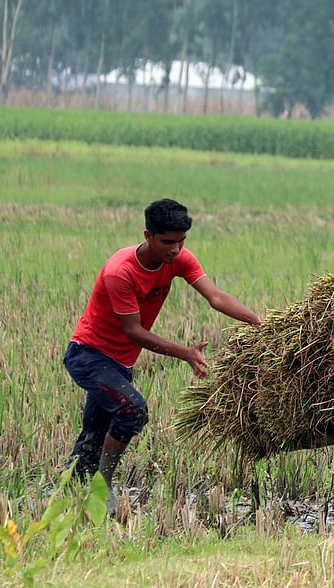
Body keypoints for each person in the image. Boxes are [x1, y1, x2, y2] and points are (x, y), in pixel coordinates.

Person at [63, 198, 262, 513]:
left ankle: (72, 501)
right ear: (148, 235)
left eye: (181, 242)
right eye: (168, 242)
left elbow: (216, 296)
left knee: (93, 439)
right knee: (132, 411)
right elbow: (134, 331)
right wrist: (185, 353)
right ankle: (104, 485)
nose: (175, 249)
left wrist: (260, 324)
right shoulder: (121, 271)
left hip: (120, 363)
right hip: (89, 355)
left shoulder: (179, 258)